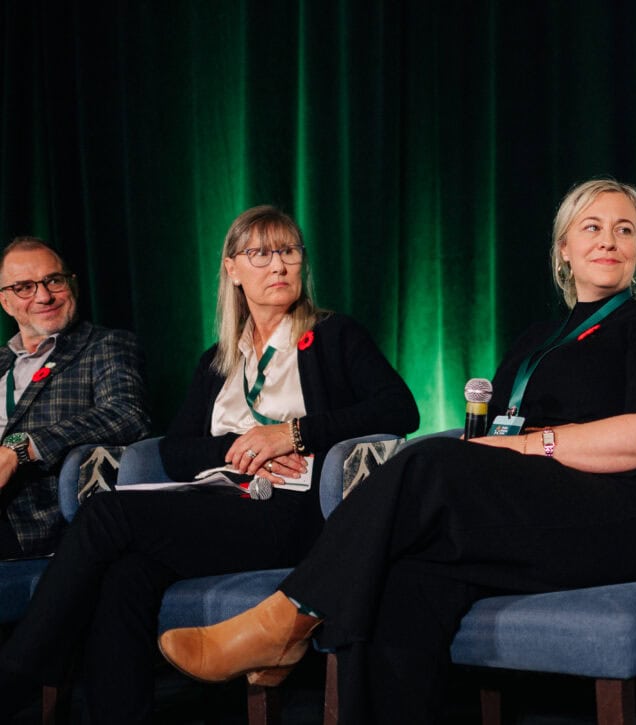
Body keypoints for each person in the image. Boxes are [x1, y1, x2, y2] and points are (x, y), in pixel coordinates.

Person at [158, 179, 636, 722]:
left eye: (624, 230)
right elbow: (489, 433)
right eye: (592, 227)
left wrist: (528, 447)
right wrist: (492, 451)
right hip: (523, 517)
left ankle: (285, 619)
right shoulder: (535, 340)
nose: (608, 240)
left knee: (429, 459)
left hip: (609, 517)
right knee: (395, 585)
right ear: (564, 248)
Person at [0, 206, 419, 722]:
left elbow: (399, 410)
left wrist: (291, 433)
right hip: (221, 501)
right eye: (260, 254)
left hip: (292, 511)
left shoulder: (334, 336)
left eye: (288, 252)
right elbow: (175, 451)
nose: (279, 267)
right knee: (126, 576)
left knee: (107, 514)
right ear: (232, 269)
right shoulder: (219, 358)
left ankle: (19, 668)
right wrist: (242, 447)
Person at [0, 237, 150, 558]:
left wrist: (22, 448)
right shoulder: (2, 362)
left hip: (32, 518)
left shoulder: (104, 345)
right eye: (24, 287)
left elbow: (126, 414)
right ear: (6, 302)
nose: (44, 296)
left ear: (72, 285)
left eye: (54, 280)